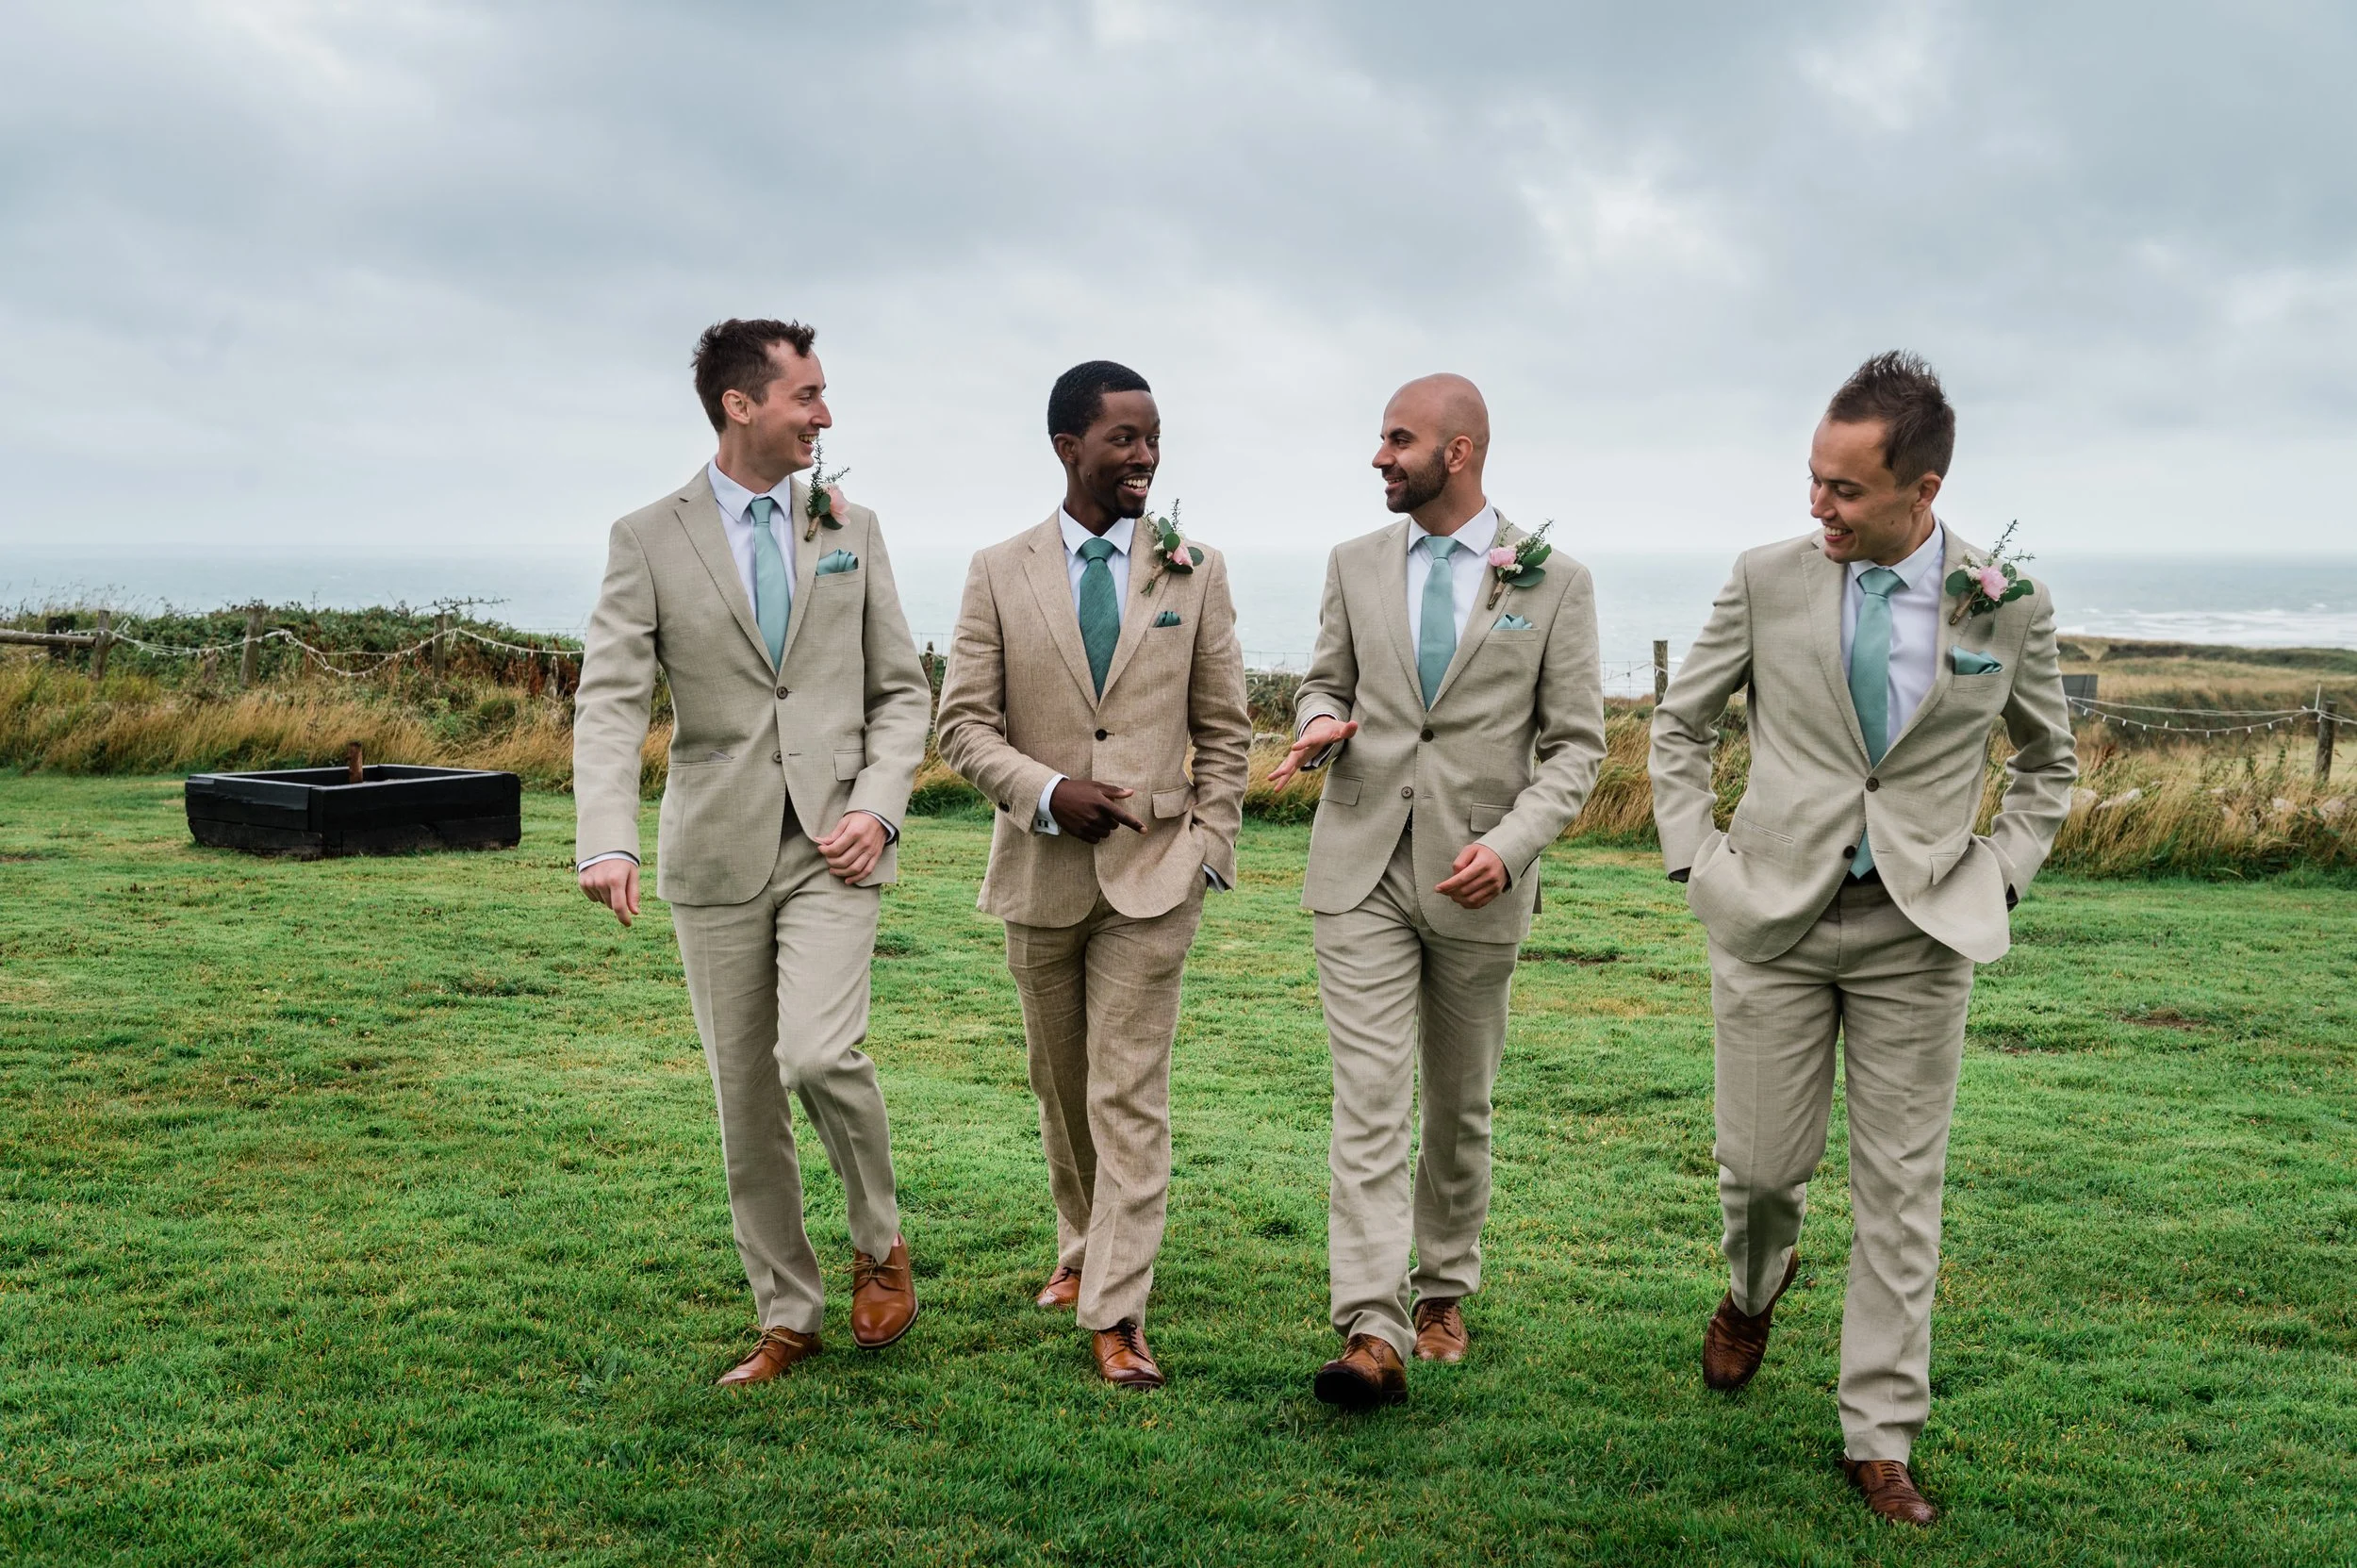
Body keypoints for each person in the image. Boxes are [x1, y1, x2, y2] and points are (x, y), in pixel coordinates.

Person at [1648, 351, 2076, 1525]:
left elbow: (2050, 763)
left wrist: (2002, 872)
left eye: (1844, 490)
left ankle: (1877, 1434)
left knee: (1901, 1189)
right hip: (1769, 918)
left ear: (1921, 491)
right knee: (1761, 1172)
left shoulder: (2006, 603)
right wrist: (1698, 855)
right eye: (1813, 480)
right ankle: (1750, 1288)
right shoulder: (1764, 577)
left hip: (1920, 930)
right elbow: (1677, 728)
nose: (1817, 507)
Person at [572, 318, 932, 1387]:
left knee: (817, 1055)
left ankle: (879, 1243)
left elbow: (901, 691)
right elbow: (609, 700)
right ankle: (789, 1314)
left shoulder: (850, 526)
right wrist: (605, 835)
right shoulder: (645, 537)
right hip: (715, 846)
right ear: (742, 406)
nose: (825, 415)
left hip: (837, 844)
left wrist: (880, 806)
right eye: (807, 396)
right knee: (746, 1097)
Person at [1265, 373, 1606, 1410]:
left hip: (1477, 880)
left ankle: (1443, 1288)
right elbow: (1322, 679)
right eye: (1379, 438)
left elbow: (1575, 748)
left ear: (1457, 452)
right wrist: (1320, 718)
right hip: (1358, 863)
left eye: (1396, 439)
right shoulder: (1352, 563)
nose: (1378, 456)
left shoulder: (1554, 582)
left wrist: (1513, 844)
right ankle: (1369, 1324)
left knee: (1457, 1103)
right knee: (1368, 1100)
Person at [934, 360, 1251, 1389]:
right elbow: (962, 725)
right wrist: (1044, 790)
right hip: (1038, 870)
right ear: (1069, 446)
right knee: (1061, 1090)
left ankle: (1118, 1309)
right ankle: (1081, 1248)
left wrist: (1210, 845)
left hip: (1157, 876)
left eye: (1154, 437)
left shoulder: (1196, 568)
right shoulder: (996, 570)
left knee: (1128, 1094)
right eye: (1124, 438)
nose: (1146, 455)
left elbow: (1224, 728)